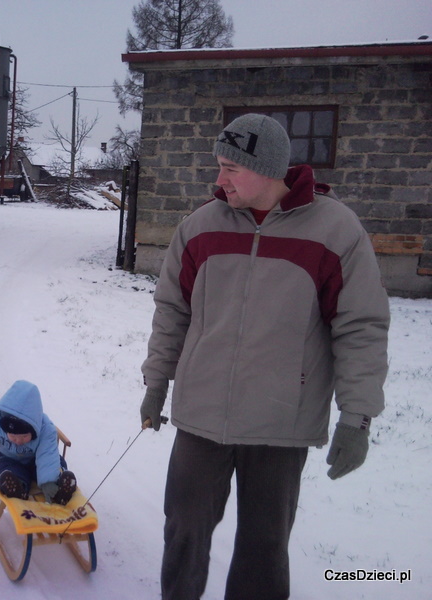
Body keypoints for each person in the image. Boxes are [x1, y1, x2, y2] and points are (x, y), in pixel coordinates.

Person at [139, 114, 390, 600]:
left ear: (269, 168)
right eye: (218, 166)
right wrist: (156, 383)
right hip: (202, 416)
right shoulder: (199, 228)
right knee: (184, 533)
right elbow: (171, 311)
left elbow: (360, 326)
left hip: (281, 422)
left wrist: (357, 416)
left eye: (231, 167)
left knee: (264, 548)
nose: (219, 179)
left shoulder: (336, 231)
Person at [0, 380, 77, 505]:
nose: (18, 441)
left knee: (56, 460)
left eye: (24, 436)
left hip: (36, 460)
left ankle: (60, 486)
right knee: (6, 469)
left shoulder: (45, 428)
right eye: (13, 436)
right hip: (8, 457)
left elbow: (47, 454)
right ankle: (17, 487)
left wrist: (48, 481)